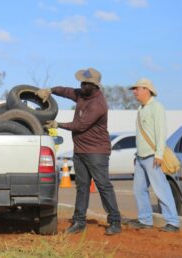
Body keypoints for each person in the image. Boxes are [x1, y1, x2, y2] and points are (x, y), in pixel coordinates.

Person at [36, 68, 121, 235]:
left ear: (95, 86)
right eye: (81, 83)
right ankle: (79, 221)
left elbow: (80, 125)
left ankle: (115, 222)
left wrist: (57, 124)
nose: (81, 86)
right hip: (80, 151)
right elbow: (67, 91)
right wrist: (50, 90)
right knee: (82, 187)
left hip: (97, 152)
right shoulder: (82, 94)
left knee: (103, 186)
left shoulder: (98, 104)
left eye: (85, 84)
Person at [129, 78, 180, 232]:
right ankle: (145, 220)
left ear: (146, 89)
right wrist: (137, 155)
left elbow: (161, 132)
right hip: (141, 157)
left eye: (137, 89)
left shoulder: (156, 107)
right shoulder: (141, 109)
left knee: (161, 190)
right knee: (139, 190)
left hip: (153, 157)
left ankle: (173, 222)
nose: (134, 92)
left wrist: (159, 155)